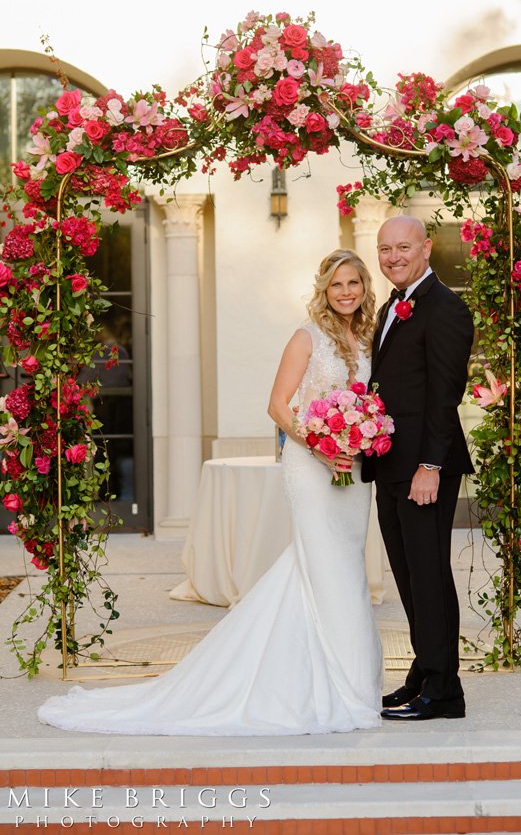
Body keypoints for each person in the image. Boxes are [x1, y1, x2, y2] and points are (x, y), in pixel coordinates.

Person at [38, 249, 383, 735]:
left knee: (344, 566)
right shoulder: (306, 337)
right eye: (336, 285)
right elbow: (278, 406)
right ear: (323, 290)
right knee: (324, 564)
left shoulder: (370, 336)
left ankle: (346, 677)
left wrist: (360, 436)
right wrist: (321, 445)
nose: (346, 292)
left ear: (365, 288)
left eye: (354, 284)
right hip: (313, 465)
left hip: (354, 469)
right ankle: (332, 683)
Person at [362, 215, 474, 722]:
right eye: (385, 248)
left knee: (428, 574)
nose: (393, 256)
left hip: (424, 468)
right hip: (391, 463)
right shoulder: (393, 305)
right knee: (409, 575)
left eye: (403, 247)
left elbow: (444, 396)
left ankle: (444, 692)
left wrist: (428, 465)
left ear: (427, 248)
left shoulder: (445, 308)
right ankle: (426, 671)